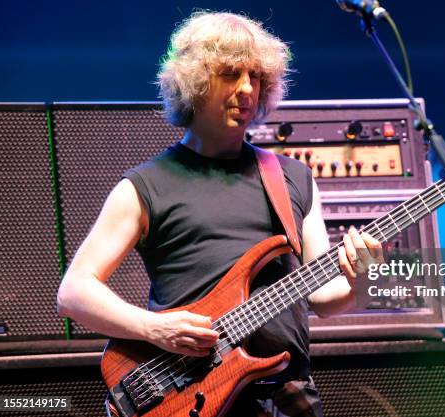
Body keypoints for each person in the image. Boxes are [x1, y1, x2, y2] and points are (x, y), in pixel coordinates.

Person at [57, 11, 381, 417]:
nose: (247, 89)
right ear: (193, 81)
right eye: (230, 74)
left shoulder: (294, 178)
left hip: (288, 396)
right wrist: (154, 328)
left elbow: (321, 295)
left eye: (256, 77)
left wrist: (360, 283)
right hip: (191, 394)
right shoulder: (144, 186)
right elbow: (73, 293)